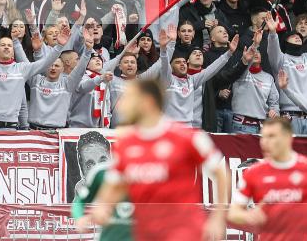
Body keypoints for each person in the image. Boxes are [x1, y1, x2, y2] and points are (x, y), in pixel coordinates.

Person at [89, 79, 230, 240]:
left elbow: (221, 172)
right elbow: (116, 185)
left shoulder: (187, 137)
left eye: (128, 98)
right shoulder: (125, 143)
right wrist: (102, 206)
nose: (121, 105)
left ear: (147, 102)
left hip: (183, 231)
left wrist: (219, 217)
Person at [229, 117, 307, 239]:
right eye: (263, 137)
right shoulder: (253, 173)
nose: (265, 142)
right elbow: (233, 212)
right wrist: (249, 216)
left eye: (272, 136)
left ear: (287, 138)